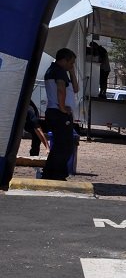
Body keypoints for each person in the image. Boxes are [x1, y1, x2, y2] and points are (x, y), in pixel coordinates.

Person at [43, 47, 79, 181]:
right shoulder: (58, 71)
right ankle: (57, 174)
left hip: (56, 112)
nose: (72, 65)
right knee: (65, 146)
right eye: (71, 63)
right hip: (59, 113)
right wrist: (63, 108)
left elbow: (75, 89)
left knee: (60, 144)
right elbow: (61, 89)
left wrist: (72, 72)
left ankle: (50, 173)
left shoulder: (58, 71)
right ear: (64, 60)